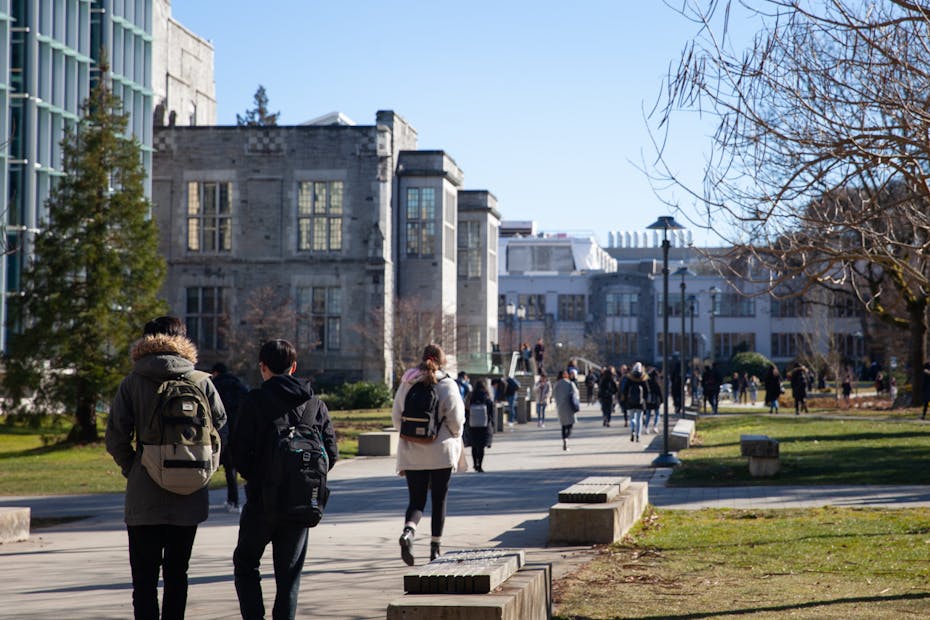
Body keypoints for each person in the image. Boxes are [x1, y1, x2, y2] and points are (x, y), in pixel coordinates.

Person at [105, 316, 227, 620]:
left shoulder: (133, 382)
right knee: (177, 575)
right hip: (190, 491)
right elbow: (221, 427)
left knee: (144, 580)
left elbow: (115, 437)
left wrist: (134, 467)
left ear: (146, 341)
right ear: (183, 341)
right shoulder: (201, 381)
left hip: (144, 493)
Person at [231, 339, 338, 620]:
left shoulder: (253, 401)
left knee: (245, 564)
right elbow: (331, 455)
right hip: (302, 503)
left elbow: (238, 453)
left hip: (262, 501)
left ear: (262, 367)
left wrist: (257, 475)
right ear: (294, 366)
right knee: (289, 577)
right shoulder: (315, 405)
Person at [393, 344, 465, 565]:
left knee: (416, 500)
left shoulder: (408, 382)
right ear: (442, 361)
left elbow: (397, 417)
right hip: (441, 452)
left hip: (412, 452)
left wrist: (410, 436)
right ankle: (435, 548)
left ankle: (408, 532)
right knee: (439, 500)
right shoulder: (447, 385)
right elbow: (456, 420)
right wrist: (454, 435)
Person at [211, 362, 248, 513]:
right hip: (239, 430)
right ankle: (239, 501)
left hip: (223, 431)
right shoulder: (239, 385)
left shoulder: (214, 386)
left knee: (228, 468)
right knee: (239, 466)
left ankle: (232, 500)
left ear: (215, 373)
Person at [464, 379, 495, 472]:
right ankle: (480, 465)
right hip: (484, 425)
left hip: (472, 424)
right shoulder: (486, 396)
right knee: (481, 446)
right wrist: (492, 423)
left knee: (474, 445)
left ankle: (474, 464)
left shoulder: (471, 396)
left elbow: (466, 409)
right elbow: (491, 411)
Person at [622, 363, 650, 442]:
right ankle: (638, 435)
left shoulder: (630, 378)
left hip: (630, 401)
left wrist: (624, 399)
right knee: (639, 419)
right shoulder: (643, 378)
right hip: (640, 402)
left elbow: (625, 390)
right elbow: (647, 391)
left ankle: (632, 430)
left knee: (632, 418)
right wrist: (645, 399)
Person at [553, 370, 580, 451]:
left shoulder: (556, 384)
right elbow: (576, 393)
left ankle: (564, 438)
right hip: (569, 407)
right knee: (570, 424)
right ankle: (567, 438)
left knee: (563, 425)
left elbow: (553, 394)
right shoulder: (570, 383)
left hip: (560, 407)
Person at [645, 367, 662, 434]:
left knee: (648, 414)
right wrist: (661, 400)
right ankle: (655, 426)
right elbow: (659, 392)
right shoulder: (656, 382)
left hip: (649, 399)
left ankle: (646, 427)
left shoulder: (647, 382)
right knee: (657, 414)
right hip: (656, 399)